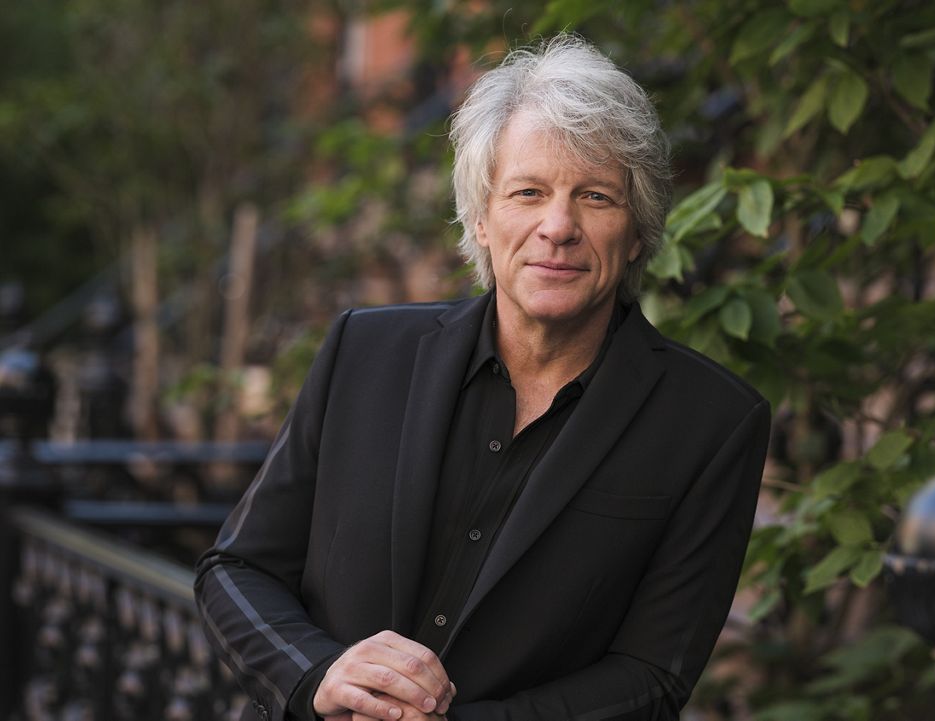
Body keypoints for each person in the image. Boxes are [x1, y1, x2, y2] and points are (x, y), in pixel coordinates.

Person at [195, 35, 771, 721]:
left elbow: (653, 676)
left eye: (595, 197)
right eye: (529, 192)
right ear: (481, 218)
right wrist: (318, 674)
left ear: (638, 230)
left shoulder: (710, 422)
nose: (558, 226)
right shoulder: (365, 351)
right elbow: (236, 570)